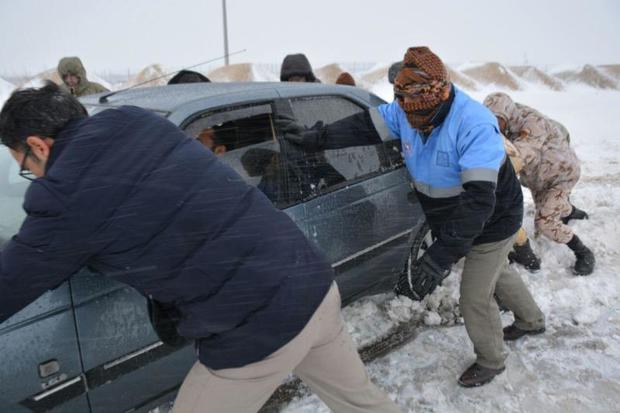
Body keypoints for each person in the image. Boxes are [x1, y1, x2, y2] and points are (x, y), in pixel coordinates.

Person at [0, 82, 401, 413]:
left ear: (38, 145)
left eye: (25, 166)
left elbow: (13, 279)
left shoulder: (67, 195)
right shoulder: (134, 120)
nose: (32, 176)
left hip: (257, 323)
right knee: (360, 403)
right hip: (310, 281)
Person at [278, 46, 546, 387]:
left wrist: (439, 257)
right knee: (496, 271)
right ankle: (531, 320)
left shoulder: (474, 125)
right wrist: (317, 138)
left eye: (422, 119)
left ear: (441, 96)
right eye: (406, 116)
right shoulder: (406, 108)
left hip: (493, 218)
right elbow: (362, 126)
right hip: (454, 220)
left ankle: (492, 360)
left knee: (475, 296)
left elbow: (479, 202)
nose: (413, 125)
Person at [484, 92, 594, 276]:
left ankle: (582, 251)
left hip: (560, 176)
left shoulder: (532, 123)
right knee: (551, 205)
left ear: (506, 115)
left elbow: (519, 155)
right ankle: (569, 210)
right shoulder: (503, 127)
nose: (494, 125)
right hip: (538, 180)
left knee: (545, 222)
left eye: (497, 120)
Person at [502, 136, 542, 272]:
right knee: (502, 214)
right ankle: (527, 256)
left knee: (499, 215)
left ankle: (527, 257)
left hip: (504, 161)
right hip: (508, 156)